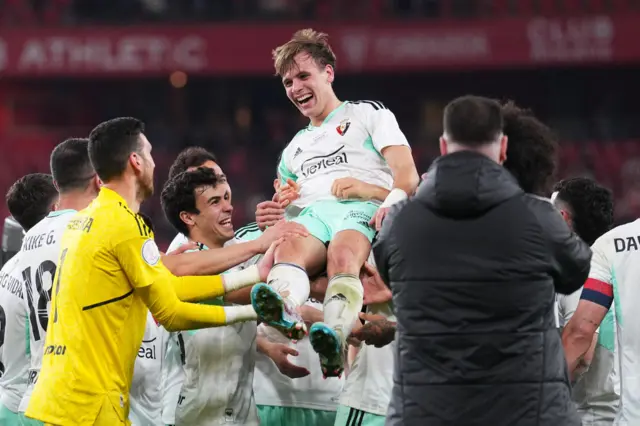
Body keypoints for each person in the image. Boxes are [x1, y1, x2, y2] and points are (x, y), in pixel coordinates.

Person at [25, 117, 276, 425]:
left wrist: (252, 276)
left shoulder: (85, 220)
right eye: (150, 154)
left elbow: (169, 286)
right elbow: (171, 313)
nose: (155, 163)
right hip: (90, 403)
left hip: (62, 395)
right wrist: (250, 312)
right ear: (135, 162)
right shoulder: (124, 225)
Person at [374, 95, 591, 425]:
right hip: (528, 413)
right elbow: (577, 269)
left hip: (426, 413)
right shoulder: (539, 220)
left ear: (444, 147)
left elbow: (389, 273)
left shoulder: (400, 223)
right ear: (502, 148)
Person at [250, 28, 419, 378]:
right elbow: (287, 200)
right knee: (289, 244)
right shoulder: (293, 149)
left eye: (303, 76)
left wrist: (386, 201)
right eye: (287, 82)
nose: (295, 88)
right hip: (314, 216)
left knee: (342, 253)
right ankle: (285, 307)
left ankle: (336, 334)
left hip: (359, 214)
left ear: (328, 73)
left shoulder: (368, 114)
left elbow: (408, 176)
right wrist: (276, 211)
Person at [15, 139, 101, 426]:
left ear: (56, 181)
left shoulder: (30, 237)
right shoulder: (89, 230)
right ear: (99, 180)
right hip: (76, 397)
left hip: (38, 391)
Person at [551, 177, 618, 425]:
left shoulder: (579, 274)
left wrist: (542, 397)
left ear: (563, 219)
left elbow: (582, 352)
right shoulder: (614, 264)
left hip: (590, 416)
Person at [0, 174, 57, 426]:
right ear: (55, 208)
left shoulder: (8, 268)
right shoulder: (43, 271)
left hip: (7, 402)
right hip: (30, 408)